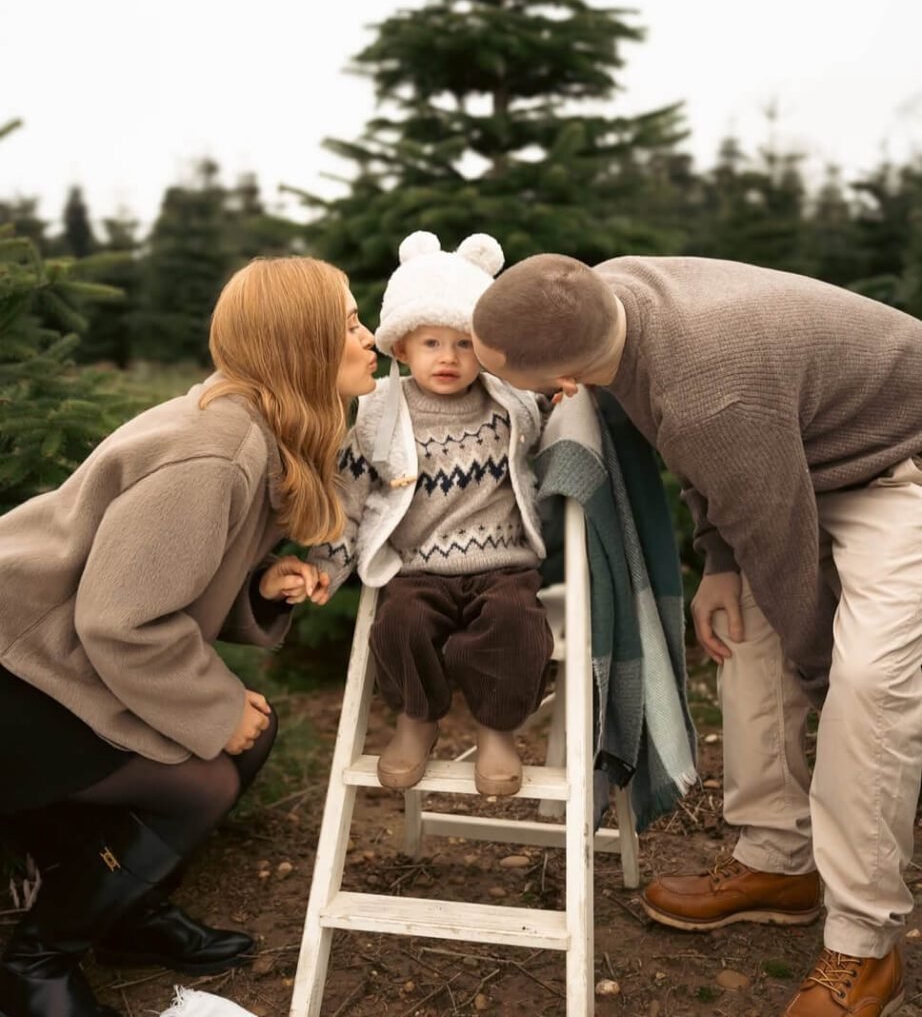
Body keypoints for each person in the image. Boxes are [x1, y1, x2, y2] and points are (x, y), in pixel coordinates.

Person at [470, 252, 922, 1017]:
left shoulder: (708, 386)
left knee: (869, 685)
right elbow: (724, 468)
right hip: (798, 458)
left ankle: (864, 943)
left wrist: (822, 681)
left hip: (897, 466)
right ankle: (779, 860)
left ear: (566, 383)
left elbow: (772, 533)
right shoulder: (603, 297)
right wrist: (717, 560)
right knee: (746, 637)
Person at [0, 255, 378, 1017]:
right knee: (201, 775)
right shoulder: (215, 452)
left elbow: (156, 580)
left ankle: (123, 916)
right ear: (301, 347)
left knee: (248, 730)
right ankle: (34, 961)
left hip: (60, 658)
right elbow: (119, 620)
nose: (371, 339)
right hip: (19, 667)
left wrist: (255, 586)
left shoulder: (254, 425)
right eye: (349, 324)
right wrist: (216, 708)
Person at [308, 231, 553, 796]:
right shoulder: (380, 414)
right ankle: (417, 720)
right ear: (401, 347)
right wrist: (327, 563)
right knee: (399, 624)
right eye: (432, 344)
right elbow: (348, 494)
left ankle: (496, 730)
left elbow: (553, 408)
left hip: (504, 564)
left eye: (465, 344)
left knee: (518, 626)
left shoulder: (509, 402)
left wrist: (563, 391)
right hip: (420, 567)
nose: (448, 358)